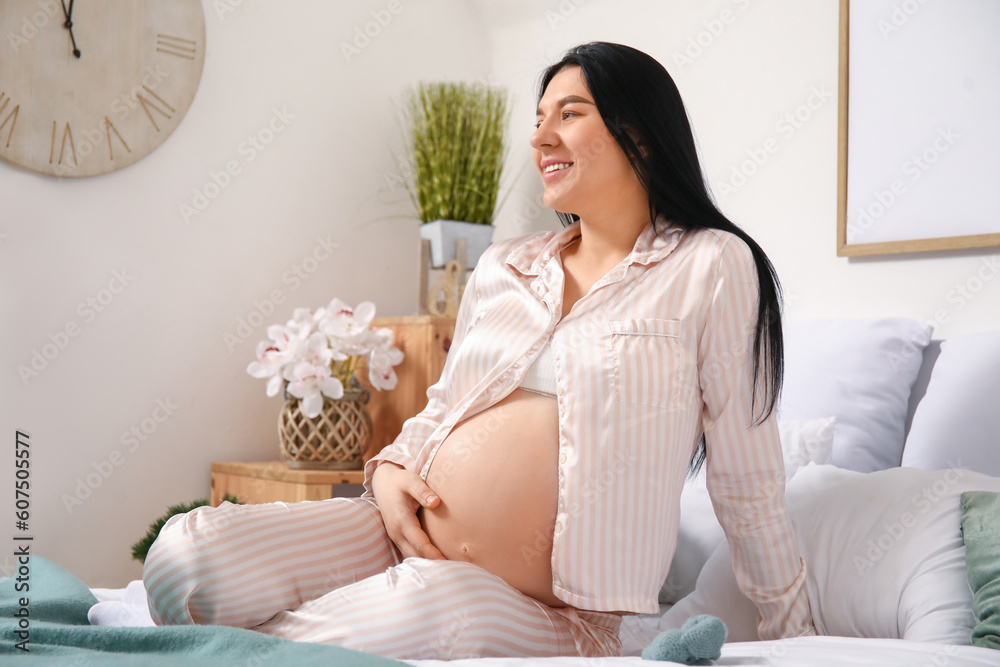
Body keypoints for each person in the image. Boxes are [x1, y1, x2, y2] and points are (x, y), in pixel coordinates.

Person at [143, 41, 816, 659]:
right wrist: (387, 470)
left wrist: (807, 638)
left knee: (416, 607)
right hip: (392, 532)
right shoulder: (505, 266)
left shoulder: (713, 264)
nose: (540, 137)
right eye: (539, 117)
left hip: (554, 613)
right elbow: (444, 407)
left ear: (637, 134)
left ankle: (235, 649)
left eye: (570, 114)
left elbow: (747, 480)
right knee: (186, 555)